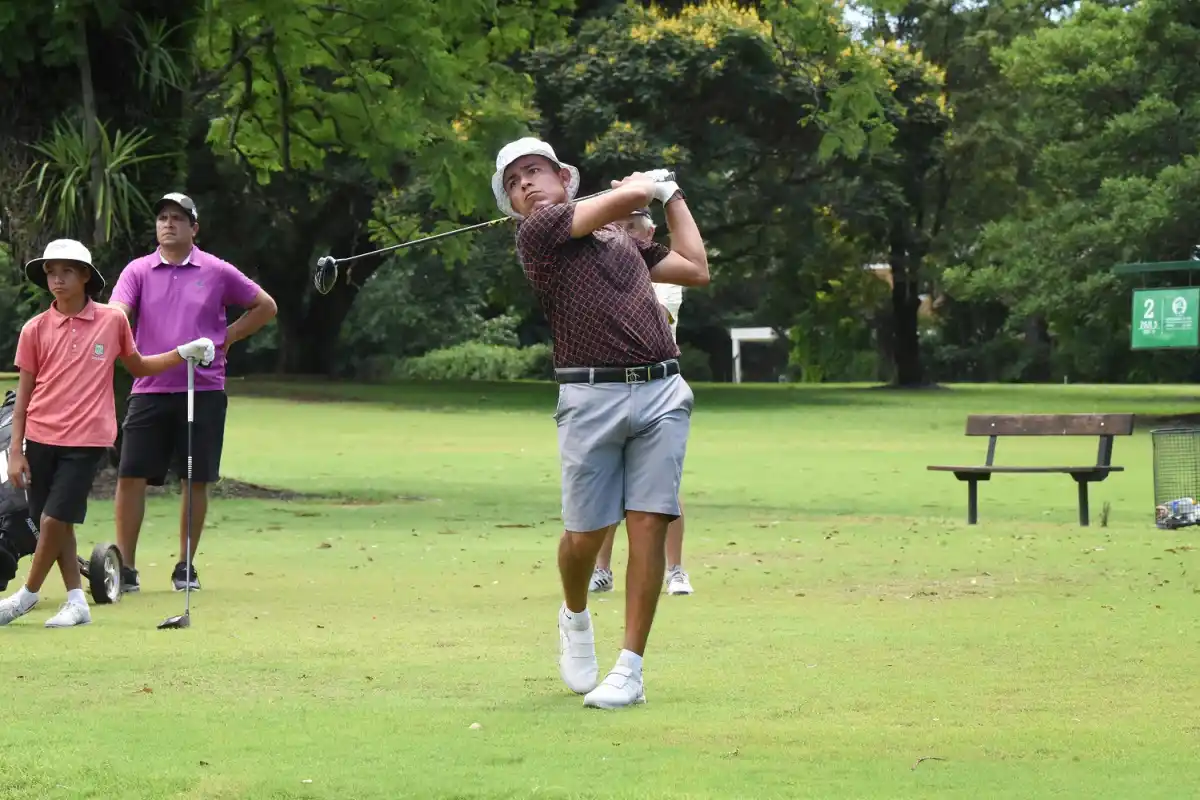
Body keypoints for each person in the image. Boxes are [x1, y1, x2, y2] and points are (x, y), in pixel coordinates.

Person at [493, 137, 709, 709]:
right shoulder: (537, 236)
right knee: (584, 536)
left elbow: (695, 268)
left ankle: (630, 670)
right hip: (590, 397)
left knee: (649, 524)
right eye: (514, 184)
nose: (525, 187)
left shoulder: (623, 240)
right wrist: (645, 185)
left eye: (534, 173)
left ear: (564, 177)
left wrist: (673, 196)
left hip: (662, 388)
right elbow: (630, 196)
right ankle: (575, 614)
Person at [0, 238, 214, 628]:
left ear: (85, 277)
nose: (57, 279)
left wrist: (183, 352)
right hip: (41, 436)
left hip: (88, 439)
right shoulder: (34, 329)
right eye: (51, 272)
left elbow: (140, 366)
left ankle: (25, 597)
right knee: (57, 523)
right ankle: (76, 601)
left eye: (66, 271)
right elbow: (24, 395)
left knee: (53, 519)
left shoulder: (111, 320)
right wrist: (16, 450)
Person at [108, 193, 277, 593]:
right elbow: (117, 311)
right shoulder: (138, 271)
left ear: (194, 228)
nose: (169, 224)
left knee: (194, 478)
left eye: (179, 219)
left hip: (202, 388)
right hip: (149, 386)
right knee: (130, 475)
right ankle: (126, 567)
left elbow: (265, 306)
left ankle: (186, 565)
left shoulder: (215, 270)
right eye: (163, 218)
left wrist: (226, 338)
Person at [590, 207, 694, 597]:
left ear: (649, 233)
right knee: (608, 485)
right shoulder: (604, 269)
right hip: (611, 386)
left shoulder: (665, 274)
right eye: (619, 228)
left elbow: (656, 316)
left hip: (658, 385)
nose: (626, 235)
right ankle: (602, 569)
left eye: (633, 228)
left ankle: (676, 570)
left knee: (665, 487)